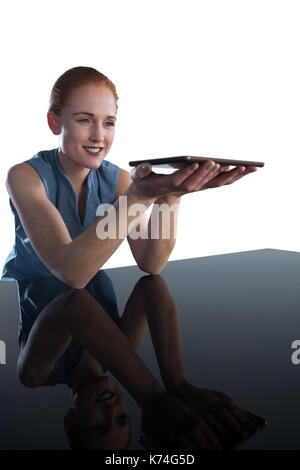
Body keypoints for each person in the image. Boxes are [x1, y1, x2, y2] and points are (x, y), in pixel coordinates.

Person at [1, 65, 258, 286]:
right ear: (54, 122)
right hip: (22, 302)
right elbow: (70, 272)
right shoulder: (24, 176)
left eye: (109, 123)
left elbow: (151, 262)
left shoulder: (119, 179)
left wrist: (169, 197)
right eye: (85, 120)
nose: (99, 136)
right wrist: (138, 198)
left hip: (87, 300)